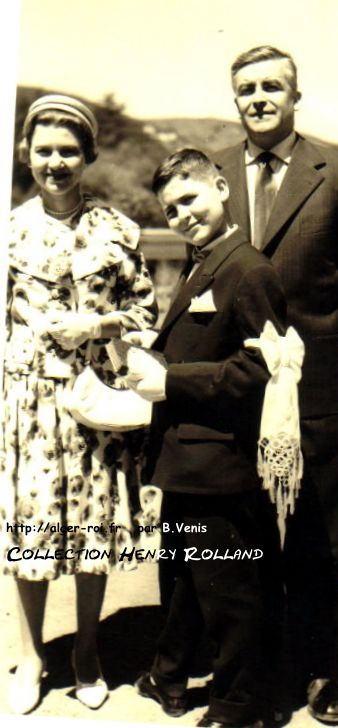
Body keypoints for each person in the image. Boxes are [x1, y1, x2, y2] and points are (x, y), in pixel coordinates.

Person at [214, 46, 338, 724]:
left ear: (295, 96)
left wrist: (314, 346)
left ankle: (317, 667)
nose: (259, 97)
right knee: (239, 520)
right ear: (235, 99)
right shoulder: (215, 171)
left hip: (313, 378)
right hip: (234, 378)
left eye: (272, 86)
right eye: (247, 88)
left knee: (313, 521)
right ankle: (247, 669)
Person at [0, 94, 157, 714]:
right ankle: (31, 654)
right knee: (31, 530)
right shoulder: (8, 230)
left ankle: (87, 650)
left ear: (88, 155)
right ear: (25, 155)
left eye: (69, 151)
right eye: (44, 151)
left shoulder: (118, 231)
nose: (56, 163)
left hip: (97, 404)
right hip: (30, 402)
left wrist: (98, 326)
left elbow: (144, 313)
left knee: (94, 526)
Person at [123, 148, 288, 728]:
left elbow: (261, 371)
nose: (183, 215)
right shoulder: (202, 263)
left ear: (221, 187)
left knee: (226, 590)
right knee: (187, 577)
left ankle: (240, 704)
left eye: (190, 199)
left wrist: (170, 379)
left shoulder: (248, 269)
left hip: (221, 462)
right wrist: (156, 346)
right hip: (186, 458)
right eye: (170, 210)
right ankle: (169, 678)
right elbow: (203, 343)